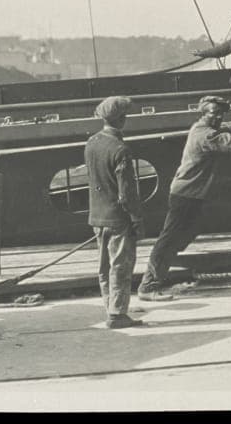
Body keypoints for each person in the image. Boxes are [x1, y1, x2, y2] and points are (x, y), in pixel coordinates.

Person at [137, 96, 231, 301]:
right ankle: (148, 286)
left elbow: (227, 128)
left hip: (190, 195)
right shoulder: (205, 136)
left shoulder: (201, 127)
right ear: (204, 114)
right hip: (185, 195)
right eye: (214, 113)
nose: (219, 117)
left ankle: (159, 271)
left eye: (221, 113)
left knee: (184, 235)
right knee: (168, 241)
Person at [85, 96, 145, 329]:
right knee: (121, 266)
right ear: (121, 119)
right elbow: (126, 193)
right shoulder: (120, 149)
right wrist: (137, 218)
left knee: (104, 267)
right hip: (118, 218)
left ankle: (110, 307)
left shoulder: (91, 143)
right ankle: (118, 314)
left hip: (97, 217)